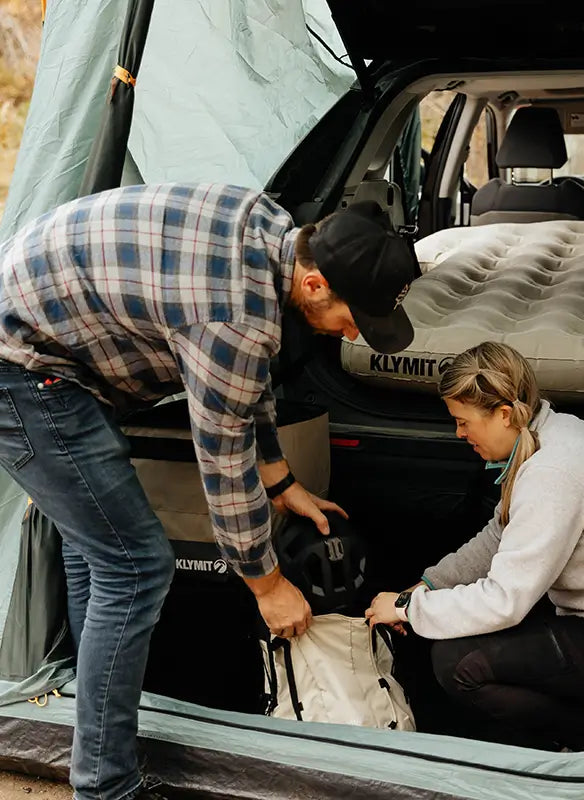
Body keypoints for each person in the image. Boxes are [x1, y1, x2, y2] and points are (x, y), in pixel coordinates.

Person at [0, 183, 416, 800]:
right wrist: (267, 585)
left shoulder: (275, 230)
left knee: (100, 558)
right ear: (315, 285)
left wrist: (281, 482)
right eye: (355, 318)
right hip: (25, 372)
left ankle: (94, 747)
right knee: (136, 567)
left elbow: (247, 389)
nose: (354, 333)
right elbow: (221, 462)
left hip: (52, 352)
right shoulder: (233, 316)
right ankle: (106, 785)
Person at [366, 341, 584, 752]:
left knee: (458, 664)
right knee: (471, 635)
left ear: (503, 415)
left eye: (463, 421)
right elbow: (499, 534)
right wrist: (427, 587)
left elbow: (505, 601)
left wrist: (406, 610)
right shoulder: (547, 435)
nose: (459, 432)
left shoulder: (553, 472)